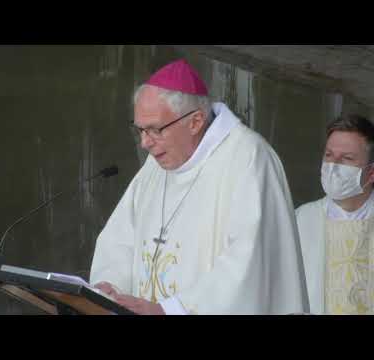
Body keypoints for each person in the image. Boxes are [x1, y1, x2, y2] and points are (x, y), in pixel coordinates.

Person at [89, 59, 309, 315]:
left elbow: (249, 263)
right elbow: (121, 239)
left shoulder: (249, 158)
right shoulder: (155, 165)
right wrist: (110, 289)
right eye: (139, 130)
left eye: (154, 130)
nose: (144, 143)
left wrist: (171, 309)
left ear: (195, 121)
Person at [296, 115, 374, 315]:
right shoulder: (301, 220)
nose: (333, 166)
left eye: (347, 158)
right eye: (329, 155)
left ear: (371, 173)